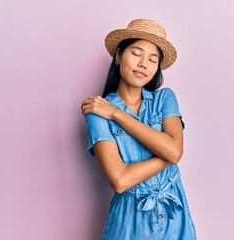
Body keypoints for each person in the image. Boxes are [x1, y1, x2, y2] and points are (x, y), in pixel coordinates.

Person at [81, 18, 197, 240]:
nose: (144, 63)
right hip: (128, 221)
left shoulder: (164, 98)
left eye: (153, 60)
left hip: (174, 216)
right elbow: (120, 181)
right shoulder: (96, 112)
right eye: (136, 53)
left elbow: (174, 152)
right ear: (118, 55)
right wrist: (169, 154)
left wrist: (117, 114)